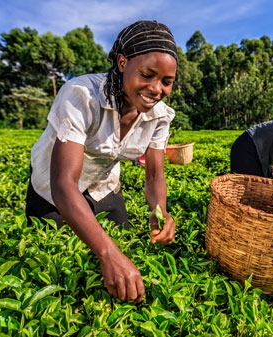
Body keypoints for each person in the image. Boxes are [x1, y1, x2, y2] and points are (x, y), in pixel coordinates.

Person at [25, 20, 179, 303]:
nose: (156, 89)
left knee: (126, 247)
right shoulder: (81, 95)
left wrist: (160, 212)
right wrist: (108, 254)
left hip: (102, 186)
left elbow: (155, 176)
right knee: (62, 261)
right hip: (53, 188)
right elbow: (63, 185)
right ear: (123, 63)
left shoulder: (160, 116)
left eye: (166, 82)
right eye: (147, 74)